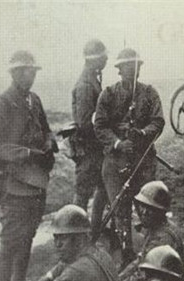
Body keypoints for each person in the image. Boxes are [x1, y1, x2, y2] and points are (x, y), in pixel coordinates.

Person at [0, 50, 56, 281]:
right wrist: (28, 153)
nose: (32, 76)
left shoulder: (33, 100)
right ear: (15, 73)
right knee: (10, 242)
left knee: (26, 238)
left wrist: (48, 143)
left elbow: (45, 129)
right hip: (11, 182)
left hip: (34, 181)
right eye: (27, 71)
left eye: (33, 71)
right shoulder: (1, 104)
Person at [94, 48, 165, 266]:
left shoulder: (149, 93)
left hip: (143, 160)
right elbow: (100, 125)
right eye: (126, 67)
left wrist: (142, 134)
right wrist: (117, 143)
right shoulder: (108, 94)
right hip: (116, 161)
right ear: (119, 70)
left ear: (140, 69)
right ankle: (126, 255)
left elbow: (158, 121)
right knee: (120, 210)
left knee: (149, 207)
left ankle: (154, 253)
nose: (131, 71)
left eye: (135, 67)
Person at [71, 39, 108, 237]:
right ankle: (74, 235)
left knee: (103, 188)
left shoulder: (92, 78)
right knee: (82, 195)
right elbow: (85, 123)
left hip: (95, 149)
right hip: (88, 150)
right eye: (103, 56)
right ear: (94, 59)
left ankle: (94, 231)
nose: (106, 59)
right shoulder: (86, 84)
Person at [119, 180, 184, 281]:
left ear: (160, 211)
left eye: (150, 209)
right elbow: (140, 261)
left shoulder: (163, 238)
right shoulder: (156, 228)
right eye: (143, 206)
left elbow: (143, 276)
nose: (144, 212)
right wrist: (118, 278)